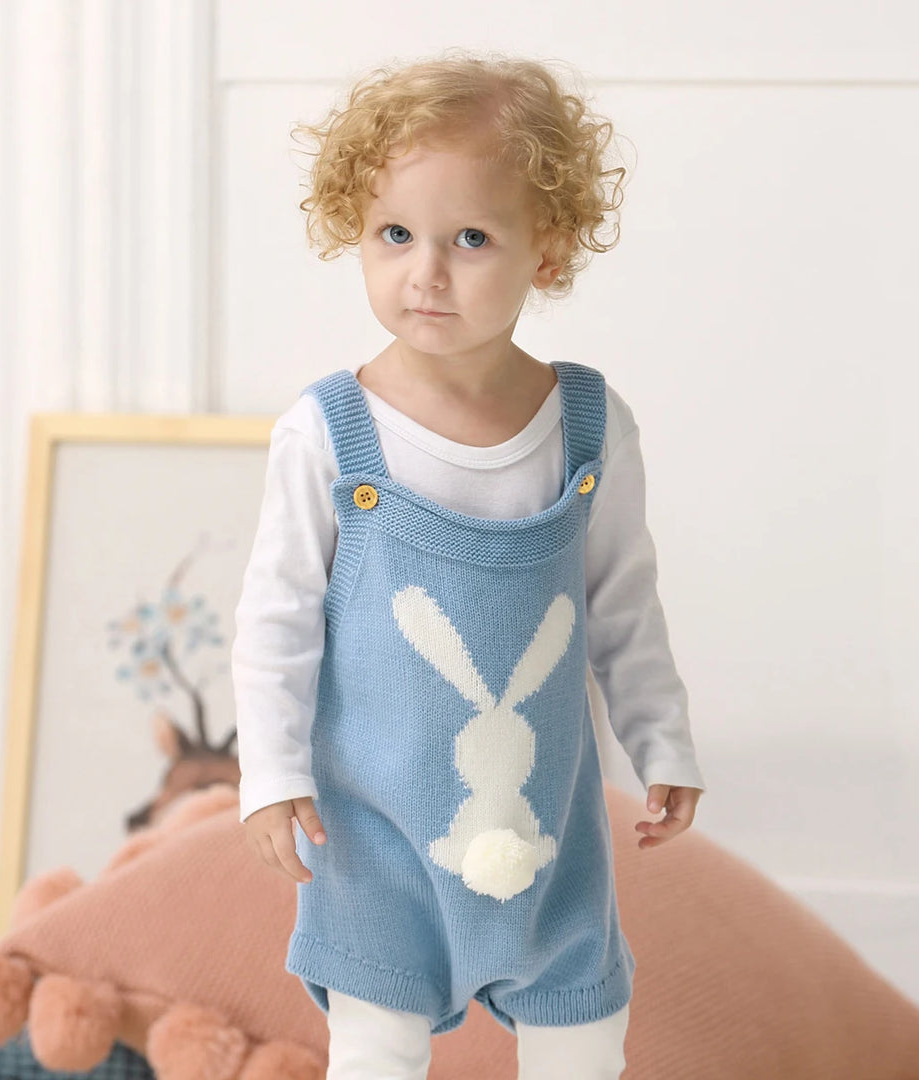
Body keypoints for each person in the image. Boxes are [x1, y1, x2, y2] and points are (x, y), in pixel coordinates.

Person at [231, 49, 706, 1080]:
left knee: (583, 1038)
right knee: (375, 1047)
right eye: (395, 235)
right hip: (374, 832)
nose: (427, 273)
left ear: (550, 249)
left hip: (548, 829)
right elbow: (277, 619)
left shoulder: (587, 426)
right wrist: (269, 775)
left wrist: (661, 739)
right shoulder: (329, 433)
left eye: (472, 239)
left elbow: (623, 603)